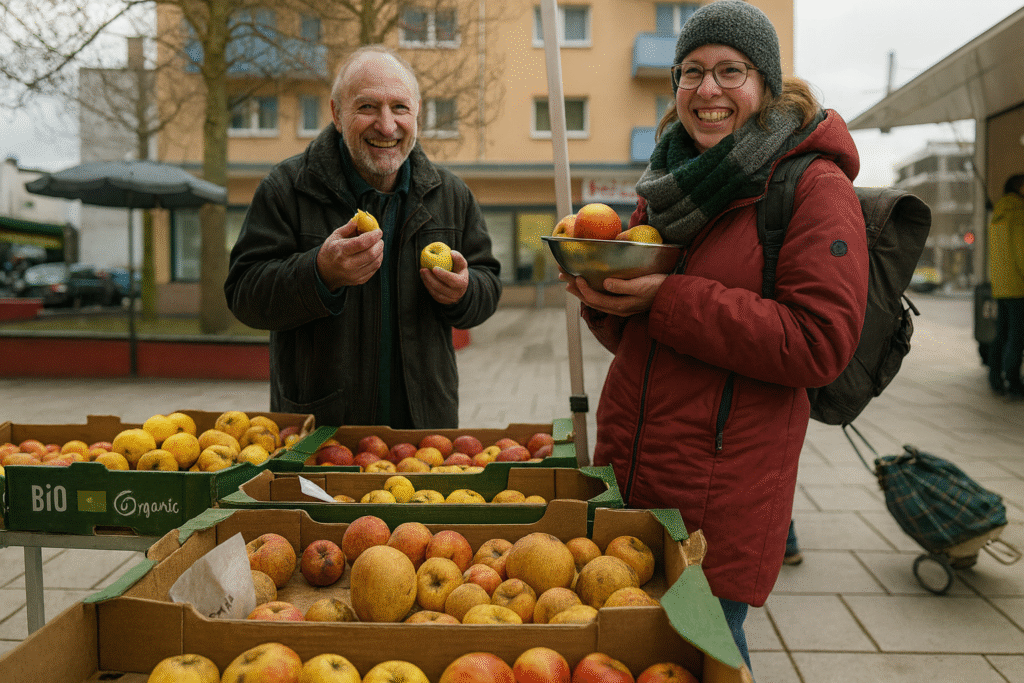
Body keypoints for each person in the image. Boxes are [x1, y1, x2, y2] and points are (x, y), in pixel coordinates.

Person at [559, 1, 868, 674]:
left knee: (706, 655)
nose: (708, 89)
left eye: (731, 70)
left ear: (767, 84)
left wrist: (667, 297)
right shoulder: (671, 183)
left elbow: (819, 342)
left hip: (720, 491)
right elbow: (651, 343)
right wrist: (604, 299)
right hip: (634, 469)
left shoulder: (812, 186)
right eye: (692, 71)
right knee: (640, 655)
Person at [225, 45, 501, 429]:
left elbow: (488, 283)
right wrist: (319, 273)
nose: (386, 126)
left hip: (424, 431)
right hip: (322, 431)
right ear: (337, 114)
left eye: (400, 108)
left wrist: (465, 292)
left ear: (417, 113)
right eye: (367, 107)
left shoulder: (451, 195)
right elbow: (244, 294)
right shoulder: (286, 189)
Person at [987, 173, 1024, 399]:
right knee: (1017, 337)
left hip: (1001, 285)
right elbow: (1021, 251)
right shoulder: (1018, 212)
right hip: (1018, 286)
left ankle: (994, 378)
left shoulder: (999, 213)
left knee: (1001, 334)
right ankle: (1014, 382)